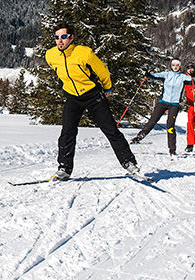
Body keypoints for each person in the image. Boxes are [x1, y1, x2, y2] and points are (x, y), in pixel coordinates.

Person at [45, 24, 140, 180]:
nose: (59, 41)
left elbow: (102, 71)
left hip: (92, 96)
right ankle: (64, 169)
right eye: (56, 37)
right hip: (72, 97)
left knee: (110, 129)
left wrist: (108, 88)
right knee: (67, 133)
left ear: (71, 38)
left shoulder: (84, 53)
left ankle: (129, 163)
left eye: (63, 37)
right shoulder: (50, 55)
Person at [130, 58, 192, 156]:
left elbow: (194, 81)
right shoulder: (166, 74)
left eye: (177, 65)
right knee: (152, 121)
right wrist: (148, 74)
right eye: (173, 65)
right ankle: (139, 137)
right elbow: (154, 76)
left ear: (180, 66)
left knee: (170, 126)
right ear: (171, 66)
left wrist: (192, 75)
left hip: (174, 105)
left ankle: (172, 149)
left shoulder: (183, 77)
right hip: (162, 102)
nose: (175, 67)